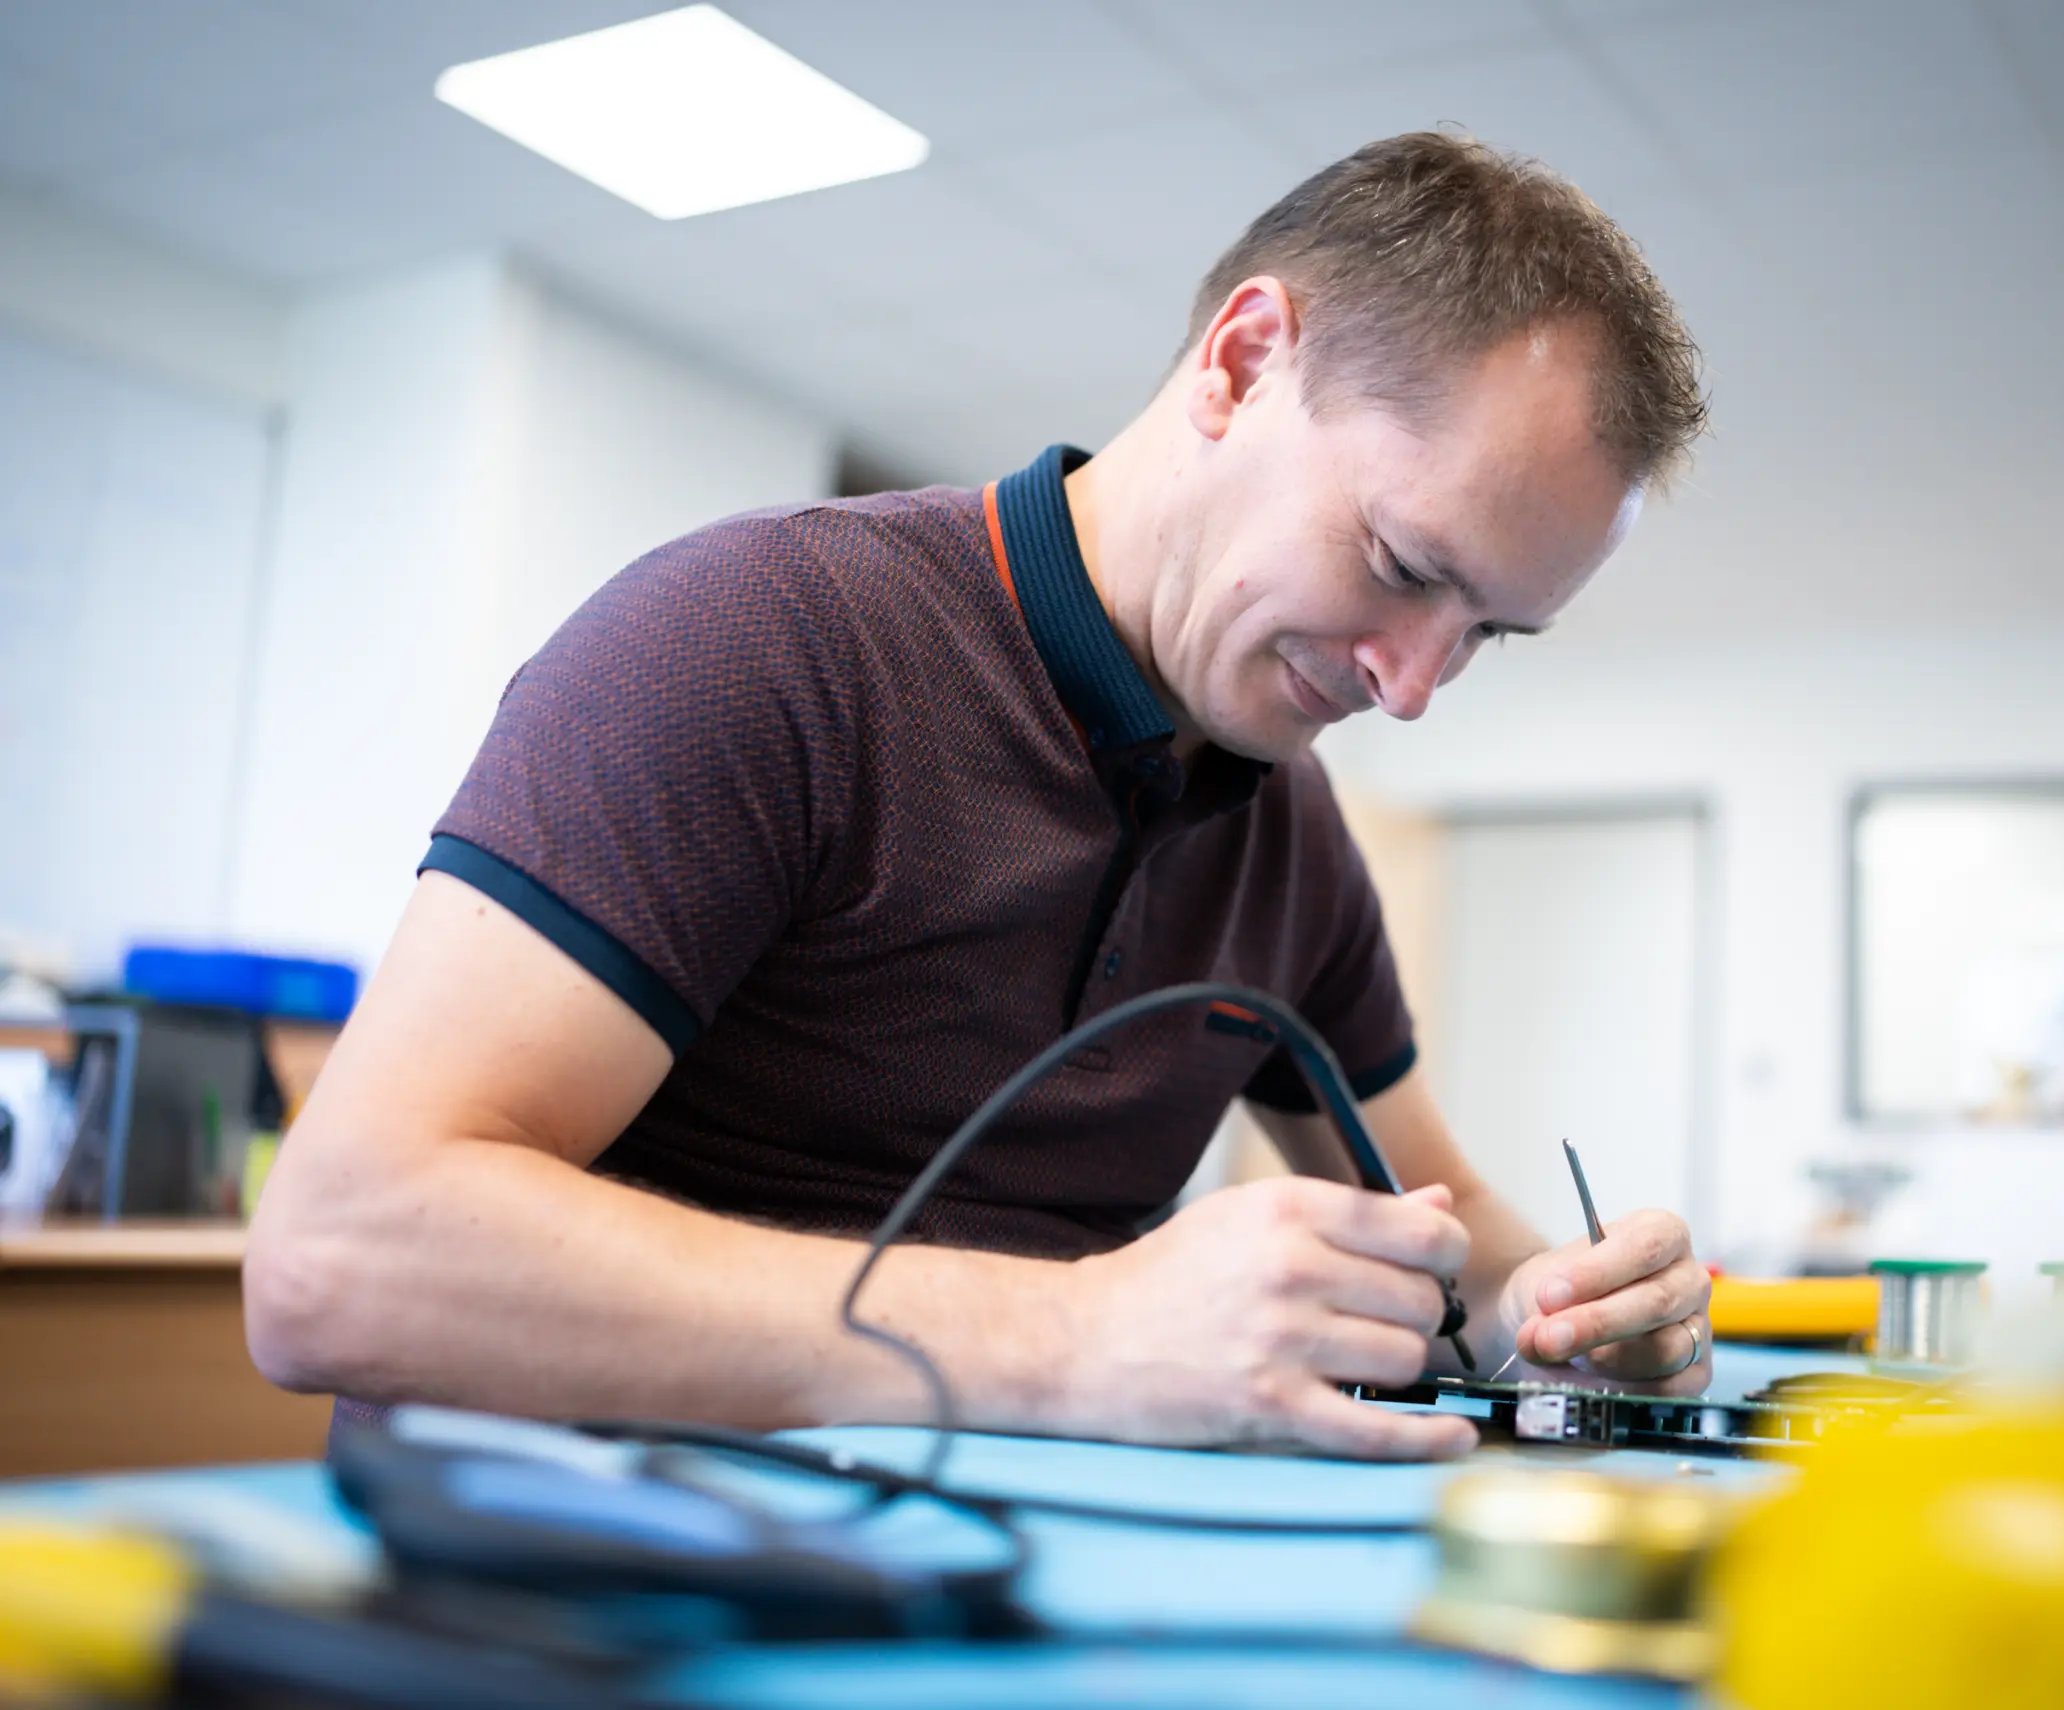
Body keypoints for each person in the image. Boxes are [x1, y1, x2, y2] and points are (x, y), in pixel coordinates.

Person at [244, 131, 1712, 1461]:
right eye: (1403, 567)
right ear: (1246, 360)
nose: (1410, 686)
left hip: (983, 1583)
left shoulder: (1292, 836)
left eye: (1487, 636)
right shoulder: (760, 639)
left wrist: (1573, 1308)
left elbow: (1451, 1232)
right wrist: (1075, 1335)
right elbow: (339, 1261)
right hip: (573, 1579)